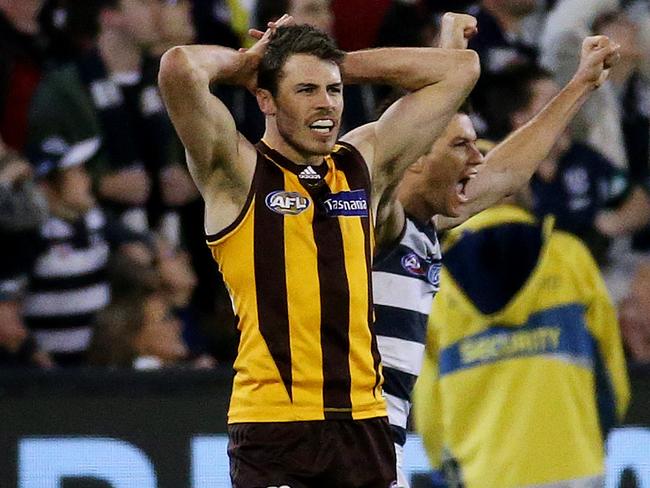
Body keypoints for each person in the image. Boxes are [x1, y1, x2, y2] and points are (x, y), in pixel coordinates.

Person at [158, 12, 480, 487]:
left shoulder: (361, 162)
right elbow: (180, 67)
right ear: (265, 99)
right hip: (275, 426)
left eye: (334, 91)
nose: (326, 105)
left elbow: (461, 70)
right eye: (305, 91)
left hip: (365, 426)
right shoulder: (237, 171)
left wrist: (339, 63)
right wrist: (247, 63)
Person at [372, 25, 621, 487]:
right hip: (329, 445)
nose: (476, 162)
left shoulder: (424, 228)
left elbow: (507, 171)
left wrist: (580, 84)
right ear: (413, 156)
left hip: (382, 452)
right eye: (460, 147)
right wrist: (338, 62)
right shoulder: (368, 221)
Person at [412, 196, 630, 488]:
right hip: (574, 466)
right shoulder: (569, 256)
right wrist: (595, 435)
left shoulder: (437, 279)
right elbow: (611, 371)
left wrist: (444, 464)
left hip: (484, 474)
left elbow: (429, 404)